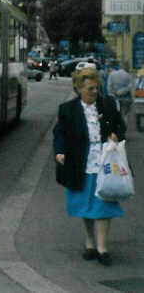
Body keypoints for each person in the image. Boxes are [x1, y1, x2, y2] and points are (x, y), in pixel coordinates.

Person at [53, 67, 126, 267]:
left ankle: (102, 248)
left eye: (96, 88)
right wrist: (59, 152)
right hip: (81, 164)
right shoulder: (68, 109)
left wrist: (115, 135)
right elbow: (59, 133)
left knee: (103, 204)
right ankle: (90, 242)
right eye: (89, 89)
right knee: (85, 205)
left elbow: (120, 126)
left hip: (105, 164)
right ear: (79, 89)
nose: (94, 92)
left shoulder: (108, 105)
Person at [107, 61, 133, 126]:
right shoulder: (128, 76)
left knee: (114, 114)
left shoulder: (111, 74)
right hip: (125, 99)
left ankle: (115, 129)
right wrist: (122, 91)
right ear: (126, 67)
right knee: (124, 115)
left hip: (114, 98)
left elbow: (109, 87)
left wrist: (113, 93)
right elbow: (130, 87)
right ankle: (123, 129)